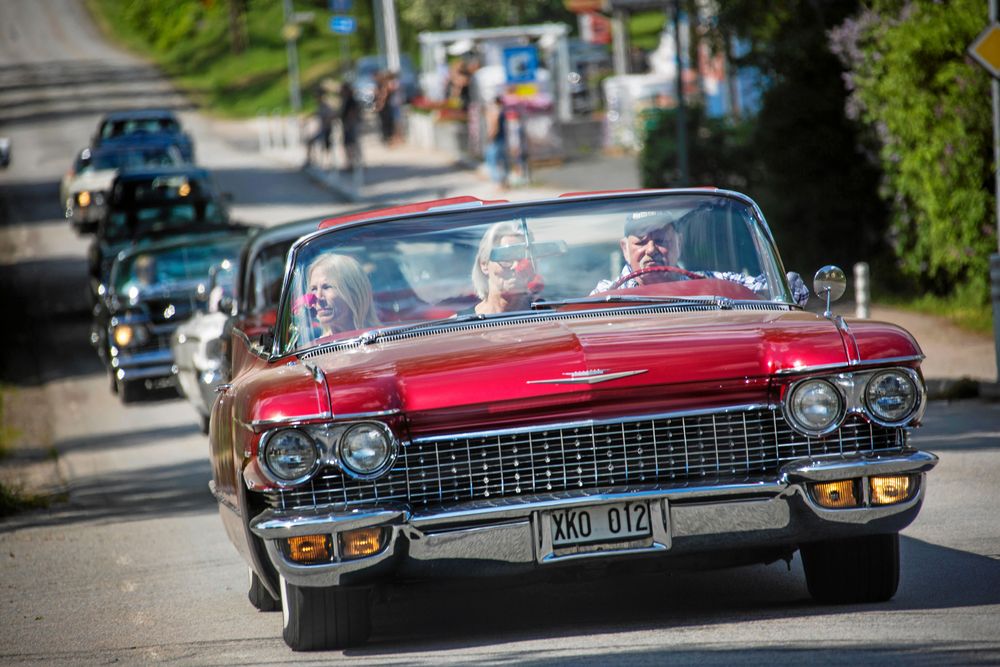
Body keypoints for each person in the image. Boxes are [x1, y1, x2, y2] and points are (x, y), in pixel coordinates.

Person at [592, 209, 810, 306]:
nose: (650, 250)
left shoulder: (709, 283)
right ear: (624, 249)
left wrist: (785, 288)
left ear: (678, 243)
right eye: (640, 242)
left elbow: (778, 293)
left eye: (660, 241)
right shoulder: (604, 295)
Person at [471, 221, 542, 314]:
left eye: (523, 258)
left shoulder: (552, 316)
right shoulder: (460, 324)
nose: (516, 266)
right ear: (484, 264)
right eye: (506, 258)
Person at [305, 254, 379, 337]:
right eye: (314, 289)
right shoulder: (317, 346)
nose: (318, 297)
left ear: (354, 292)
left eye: (327, 287)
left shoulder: (384, 340)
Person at [305, 89, 336, 167]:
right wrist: (306, 119)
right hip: (322, 130)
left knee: (326, 146)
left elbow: (332, 115)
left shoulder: (326, 106)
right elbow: (316, 113)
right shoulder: (320, 106)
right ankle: (311, 160)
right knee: (311, 141)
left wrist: (327, 121)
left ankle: (328, 163)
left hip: (326, 130)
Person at [483, 95, 508, 188]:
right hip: (502, 139)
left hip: (496, 139)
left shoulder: (495, 112)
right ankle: (504, 181)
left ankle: (498, 183)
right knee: (502, 160)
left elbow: (494, 126)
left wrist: (490, 137)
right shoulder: (502, 111)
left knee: (492, 161)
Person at [339, 82, 362, 172]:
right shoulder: (346, 100)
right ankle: (350, 163)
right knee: (348, 145)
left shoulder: (351, 100)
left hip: (350, 126)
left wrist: (349, 124)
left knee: (352, 145)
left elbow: (352, 113)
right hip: (348, 125)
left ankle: (354, 163)